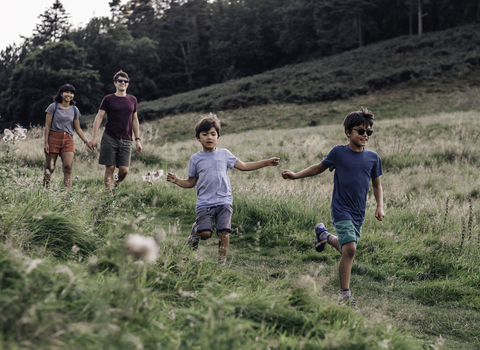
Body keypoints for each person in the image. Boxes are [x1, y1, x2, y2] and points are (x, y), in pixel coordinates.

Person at [281, 107, 384, 306]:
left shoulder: (373, 158)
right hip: (341, 208)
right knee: (351, 250)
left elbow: (377, 184)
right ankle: (344, 296)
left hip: (358, 212)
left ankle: (324, 235)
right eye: (360, 131)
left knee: (347, 250)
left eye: (368, 132)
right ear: (348, 132)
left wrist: (380, 206)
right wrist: (295, 175)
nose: (365, 135)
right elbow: (318, 168)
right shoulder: (338, 152)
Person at [167, 114, 280, 264]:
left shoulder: (224, 154)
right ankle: (196, 231)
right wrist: (176, 181)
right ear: (197, 138)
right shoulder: (195, 159)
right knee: (205, 234)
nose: (209, 137)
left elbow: (244, 166)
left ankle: (221, 262)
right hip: (204, 202)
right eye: (205, 134)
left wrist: (266, 162)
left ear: (218, 137)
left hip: (224, 200)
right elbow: (190, 182)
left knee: (224, 232)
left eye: (213, 134)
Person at [87, 70, 142, 192]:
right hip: (110, 137)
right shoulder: (108, 99)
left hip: (127, 139)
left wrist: (138, 140)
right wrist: (94, 137)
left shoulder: (133, 100)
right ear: (115, 83)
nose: (122, 83)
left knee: (124, 170)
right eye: (120, 81)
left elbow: (135, 120)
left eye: (125, 81)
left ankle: (115, 184)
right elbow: (99, 117)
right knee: (110, 168)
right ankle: (109, 196)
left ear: (128, 84)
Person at [43, 84, 92, 189]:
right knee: (49, 168)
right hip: (53, 138)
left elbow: (78, 128)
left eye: (71, 93)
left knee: (68, 167)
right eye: (67, 92)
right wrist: (46, 142)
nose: (69, 95)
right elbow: (47, 126)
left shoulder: (74, 110)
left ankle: (67, 195)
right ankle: (44, 191)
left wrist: (86, 141)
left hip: (68, 139)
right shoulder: (53, 107)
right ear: (61, 94)